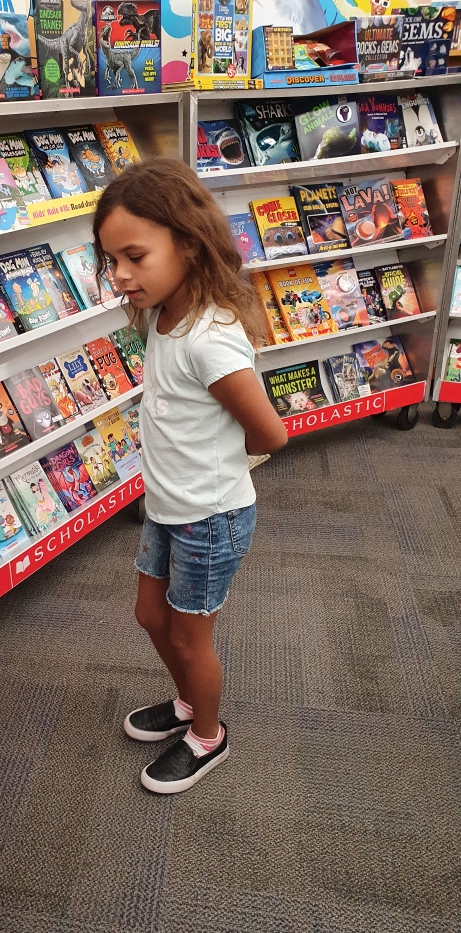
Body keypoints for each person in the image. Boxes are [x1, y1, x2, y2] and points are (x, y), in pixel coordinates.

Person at [92, 159, 288, 795]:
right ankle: (183, 704)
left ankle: (208, 735)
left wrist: (222, 473)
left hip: (210, 515)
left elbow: (271, 433)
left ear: (187, 242)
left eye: (133, 257)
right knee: (151, 616)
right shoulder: (162, 314)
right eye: (110, 260)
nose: (119, 275)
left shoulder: (210, 339)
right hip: (167, 507)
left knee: (187, 631)